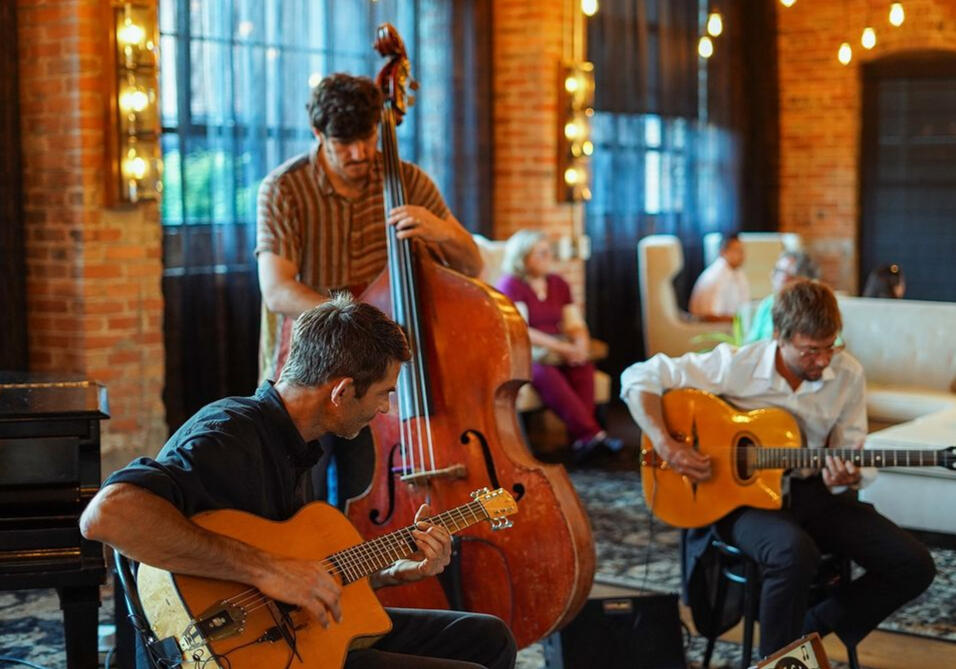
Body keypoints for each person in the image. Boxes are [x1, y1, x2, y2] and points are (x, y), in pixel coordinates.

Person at [80, 296, 517, 669]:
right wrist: (268, 570)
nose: (386, 409)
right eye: (384, 392)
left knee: (488, 639)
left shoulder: (295, 442)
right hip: (231, 650)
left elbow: (299, 577)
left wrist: (390, 572)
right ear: (341, 391)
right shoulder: (227, 434)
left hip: (289, 633)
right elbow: (107, 515)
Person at [620, 280, 935, 658]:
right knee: (792, 552)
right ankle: (778, 662)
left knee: (913, 563)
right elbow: (639, 377)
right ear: (779, 338)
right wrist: (668, 445)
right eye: (810, 351)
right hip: (740, 502)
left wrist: (846, 476)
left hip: (813, 493)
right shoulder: (738, 365)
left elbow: (850, 447)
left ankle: (810, 630)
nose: (822, 360)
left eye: (831, 347)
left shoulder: (847, 374)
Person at [256, 72, 483, 384]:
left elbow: (471, 265)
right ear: (318, 133)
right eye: (344, 143)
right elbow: (278, 292)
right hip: (316, 350)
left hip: (387, 357)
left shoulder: (409, 181)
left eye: (367, 137)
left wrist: (441, 231)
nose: (359, 153)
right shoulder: (283, 188)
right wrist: (361, 325)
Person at [495, 229, 620, 461]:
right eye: (541, 254)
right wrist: (563, 348)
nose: (548, 258)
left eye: (548, 252)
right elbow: (521, 330)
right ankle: (592, 435)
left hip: (557, 348)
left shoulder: (557, 283)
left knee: (582, 367)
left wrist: (580, 345)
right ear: (523, 258)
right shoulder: (511, 284)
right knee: (544, 373)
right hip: (526, 352)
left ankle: (581, 441)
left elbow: (573, 322)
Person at [744, 249, 819, 343]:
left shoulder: (815, 306)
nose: (772, 275)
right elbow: (749, 344)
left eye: (780, 271)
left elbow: (833, 346)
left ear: (801, 279)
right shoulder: (768, 304)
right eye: (775, 270)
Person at [689, 233, 750, 322]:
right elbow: (710, 317)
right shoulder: (716, 276)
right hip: (709, 329)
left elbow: (745, 306)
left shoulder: (737, 272)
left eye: (742, 251)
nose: (742, 255)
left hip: (729, 326)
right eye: (737, 250)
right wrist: (740, 321)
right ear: (723, 252)